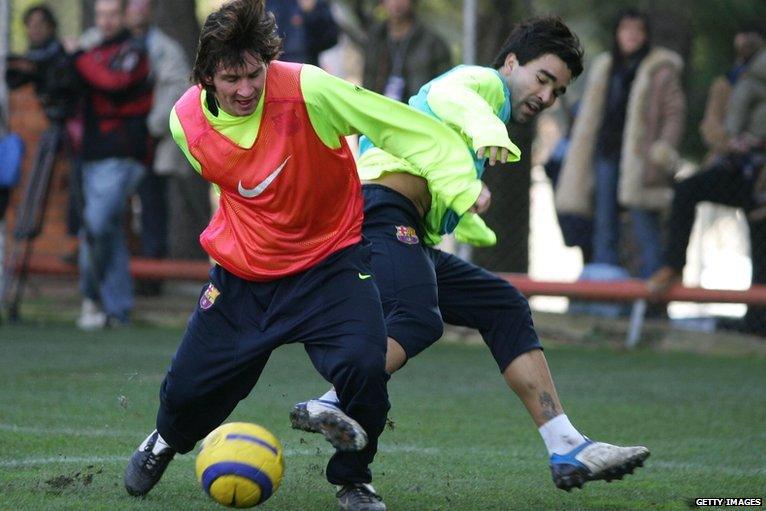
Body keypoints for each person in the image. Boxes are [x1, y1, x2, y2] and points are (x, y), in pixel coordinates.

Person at [122, 1, 487, 509]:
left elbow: (398, 126)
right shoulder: (185, 122)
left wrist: (459, 182)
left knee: (364, 366)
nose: (247, 89)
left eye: (255, 73)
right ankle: (163, 441)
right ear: (205, 76)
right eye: (231, 78)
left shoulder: (308, 89)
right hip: (243, 276)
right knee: (187, 391)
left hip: (329, 266)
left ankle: (354, 479)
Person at [291, 16, 650, 492]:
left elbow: (440, 164)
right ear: (511, 62)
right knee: (418, 319)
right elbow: (447, 95)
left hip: (398, 226)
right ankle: (333, 400)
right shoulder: (483, 84)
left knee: (501, 304)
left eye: (558, 92)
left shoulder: (490, 109)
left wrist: (468, 208)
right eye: (543, 79)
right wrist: (487, 134)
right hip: (378, 214)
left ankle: (566, 445)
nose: (546, 97)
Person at [648, 28, 766, 336]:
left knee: (760, 236)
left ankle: (758, 320)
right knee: (688, 189)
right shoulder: (727, 82)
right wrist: (730, 142)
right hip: (736, 167)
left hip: (761, 175)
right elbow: (711, 128)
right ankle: (672, 265)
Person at [555, 9, 686, 281]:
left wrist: (662, 151)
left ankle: (652, 297)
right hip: (607, 153)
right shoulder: (606, 67)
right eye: (626, 29)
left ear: (646, 35)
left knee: (644, 224)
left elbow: (674, 114)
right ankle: (608, 292)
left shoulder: (660, 69)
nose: (631, 36)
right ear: (617, 34)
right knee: (604, 224)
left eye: (638, 30)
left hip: (642, 159)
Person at [73, 0, 152, 329]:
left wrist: (76, 59)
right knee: (108, 232)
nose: (105, 22)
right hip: (90, 153)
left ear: (124, 16)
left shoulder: (134, 52)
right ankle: (118, 309)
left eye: (112, 15)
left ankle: (90, 297)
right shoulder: (92, 51)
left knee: (97, 224)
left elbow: (113, 82)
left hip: (122, 154)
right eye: (101, 15)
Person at [126, 0, 191, 296]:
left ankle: (152, 277)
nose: (137, 13)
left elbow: (178, 88)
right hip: (117, 142)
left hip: (152, 143)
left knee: (153, 208)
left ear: (151, 12)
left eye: (143, 8)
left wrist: (151, 126)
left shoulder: (166, 49)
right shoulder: (108, 45)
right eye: (133, 8)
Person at [362, 0, 451, 102]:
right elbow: (368, 80)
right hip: (379, 110)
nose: (396, 2)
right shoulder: (376, 38)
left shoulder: (432, 43)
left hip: (416, 111)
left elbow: (444, 88)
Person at [266, 0, 338, 66]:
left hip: (307, 66)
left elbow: (332, 37)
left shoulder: (313, 4)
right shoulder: (266, 4)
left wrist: (311, 13)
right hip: (276, 67)